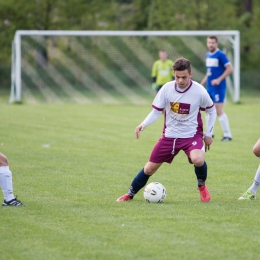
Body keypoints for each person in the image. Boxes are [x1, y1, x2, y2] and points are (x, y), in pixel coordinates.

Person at [116, 57, 216, 203]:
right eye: (177, 77)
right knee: (149, 169)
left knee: (198, 159)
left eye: (184, 77)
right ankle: (129, 195)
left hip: (191, 135)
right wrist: (143, 124)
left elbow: (211, 111)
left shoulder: (199, 91)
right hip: (169, 136)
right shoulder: (167, 89)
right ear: (173, 74)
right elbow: (157, 111)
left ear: (191, 75)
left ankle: (202, 187)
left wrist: (208, 134)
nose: (180, 81)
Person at [200, 36, 233, 141]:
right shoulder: (208, 55)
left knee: (218, 110)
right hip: (209, 88)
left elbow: (230, 68)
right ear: (207, 43)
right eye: (209, 42)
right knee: (207, 110)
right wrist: (202, 83)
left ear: (217, 43)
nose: (211, 44)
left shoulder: (220, 55)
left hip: (218, 87)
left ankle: (228, 134)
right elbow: (209, 73)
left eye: (213, 43)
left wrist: (219, 79)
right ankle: (210, 132)